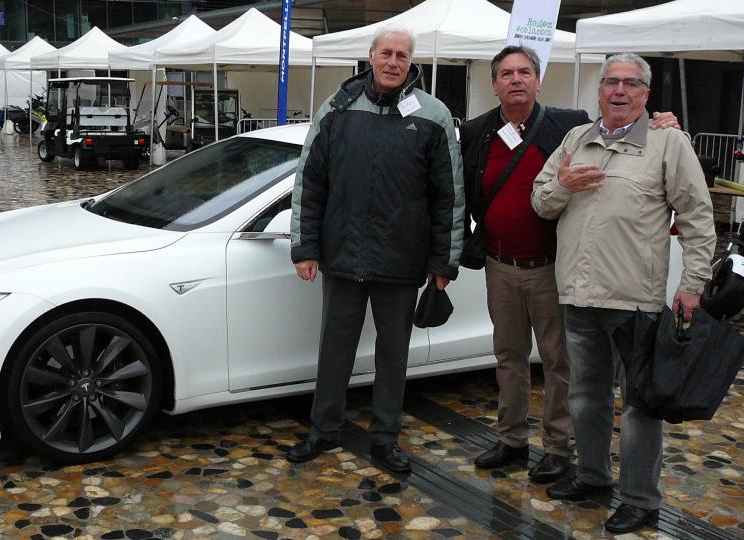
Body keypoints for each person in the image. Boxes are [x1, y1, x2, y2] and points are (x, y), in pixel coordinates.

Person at [461, 46, 678, 483]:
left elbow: (620, 122)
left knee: (560, 363)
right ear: (494, 84)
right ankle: (511, 438)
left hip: (552, 267)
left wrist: (662, 121)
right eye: (507, 73)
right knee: (508, 357)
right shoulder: (476, 131)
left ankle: (558, 447)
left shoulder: (568, 125)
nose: (516, 79)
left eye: (525, 72)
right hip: (500, 265)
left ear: (539, 81)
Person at [531, 53, 715, 534]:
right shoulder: (576, 139)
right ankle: (593, 476)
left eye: (630, 84)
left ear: (645, 94)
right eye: (611, 82)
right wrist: (563, 185)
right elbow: (541, 201)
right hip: (578, 295)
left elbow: (697, 216)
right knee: (585, 397)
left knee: (639, 405)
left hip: (635, 300)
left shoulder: (667, 142)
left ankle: (640, 499)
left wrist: (692, 283)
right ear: (598, 91)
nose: (619, 90)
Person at [286, 23, 464, 474]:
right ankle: (323, 430)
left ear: (411, 63)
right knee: (334, 351)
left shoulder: (433, 115)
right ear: (371, 57)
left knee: (393, 356)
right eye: (386, 53)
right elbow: (310, 181)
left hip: (401, 259)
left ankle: (385, 438)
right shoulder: (337, 107)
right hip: (342, 255)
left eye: (402, 55)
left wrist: (444, 263)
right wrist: (305, 246)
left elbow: (449, 196)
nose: (393, 62)